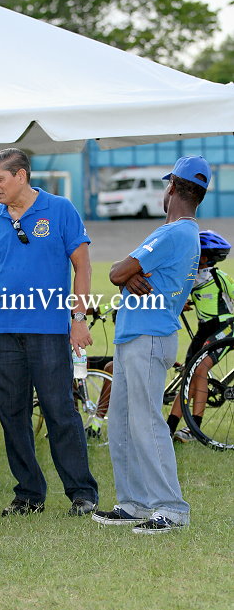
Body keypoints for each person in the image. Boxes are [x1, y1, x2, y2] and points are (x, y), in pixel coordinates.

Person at [0, 147, 99, 517]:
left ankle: (82, 493)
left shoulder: (60, 209)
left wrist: (78, 317)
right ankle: (28, 495)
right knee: (13, 415)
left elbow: (83, 265)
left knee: (60, 411)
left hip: (48, 331)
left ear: (21, 176)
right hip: (2, 333)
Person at [92, 155, 210, 533]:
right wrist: (129, 276)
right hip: (137, 335)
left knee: (145, 423)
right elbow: (127, 275)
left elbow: (116, 272)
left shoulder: (172, 233)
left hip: (149, 336)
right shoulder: (181, 233)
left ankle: (171, 508)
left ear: (172, 187)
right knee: (123, 425)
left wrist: (126, 275)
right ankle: (134, 503)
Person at [167, 230, 233, 442]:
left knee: (201, 368)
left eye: (196, 255)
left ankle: (194, 428)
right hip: (204, 329)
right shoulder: (191, 279)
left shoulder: (219, 277)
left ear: (205, 258)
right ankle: (169, 429)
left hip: (225, 327)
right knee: (187, 376)